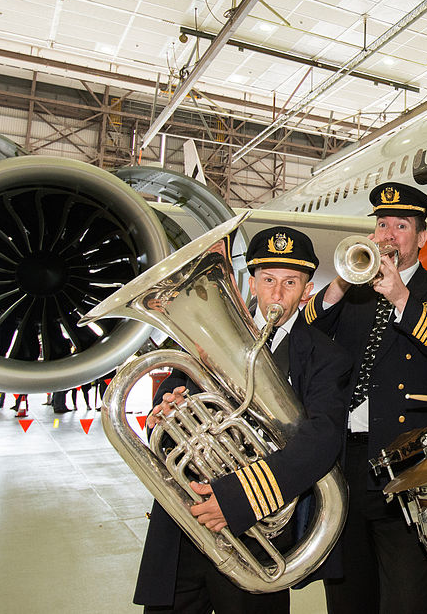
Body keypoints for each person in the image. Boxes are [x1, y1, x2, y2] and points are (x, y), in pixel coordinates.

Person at [133, 226, 351, 614]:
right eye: (268, 280)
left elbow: (322, 439)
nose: (277, 293)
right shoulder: (202, 339)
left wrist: (236, 498)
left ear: (306, 291)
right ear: (251, 283)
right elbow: (168, 405)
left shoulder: (326, 356)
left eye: (290, 282)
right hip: (186, 518)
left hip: (256, 530)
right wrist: (165, 413)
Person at [305, 182, 427, 614]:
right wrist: (340, 282)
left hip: (408, 462)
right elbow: (305, 335)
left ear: (421, 237)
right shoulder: (351, 290)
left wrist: (400, 295)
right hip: (345, 461)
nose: (389, 234)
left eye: (401, 225)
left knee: (407, 594)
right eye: (382, 225)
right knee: (347, 591)